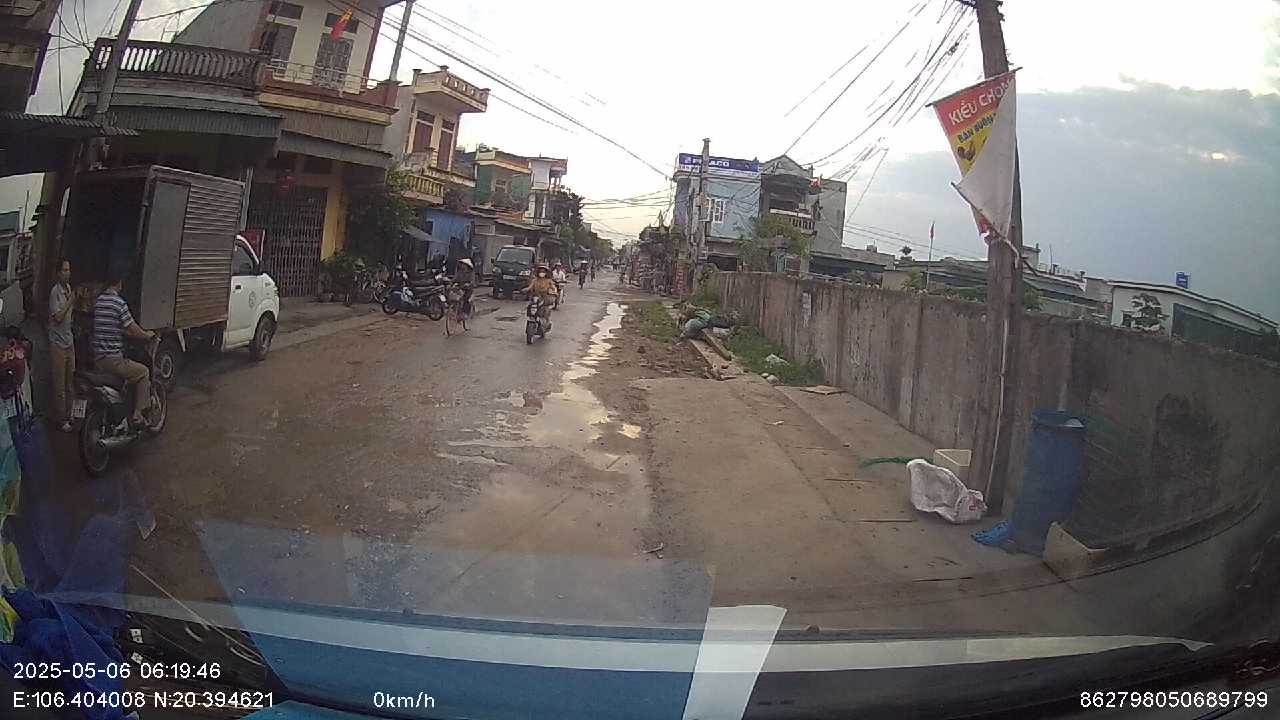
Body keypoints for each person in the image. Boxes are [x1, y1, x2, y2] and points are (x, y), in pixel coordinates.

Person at [92, 275, 156, 424]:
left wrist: (123, 331)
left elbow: (110, 325)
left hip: (98, 359)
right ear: (119, 283)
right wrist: (147, 335)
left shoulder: (99, 301)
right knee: (143, 372)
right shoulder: (119, 303)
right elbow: (133, 328)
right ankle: (138, 415)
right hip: (114, 361)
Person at [47, 258, 76, 432]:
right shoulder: (55, 292)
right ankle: (62, 418)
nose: (68, 273)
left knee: (71, 381)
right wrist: (70, 301)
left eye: (69, 270)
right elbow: (57, 317)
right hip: (57, 343)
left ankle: (70, 413)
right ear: (58, 273)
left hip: (68, 341)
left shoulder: (68, 289)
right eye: (64, 270)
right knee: (60, 385)